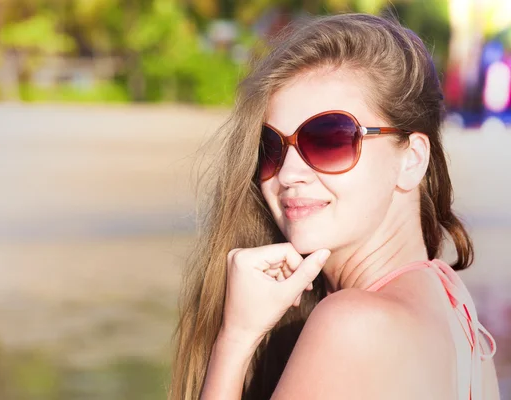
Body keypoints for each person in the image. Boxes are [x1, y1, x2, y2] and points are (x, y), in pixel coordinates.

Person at [169, 13, 499, 400]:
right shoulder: (457, 316)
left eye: (330, 138)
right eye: (271, 147)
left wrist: (236, 339)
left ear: (411, 160)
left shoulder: (351, 324)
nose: (289, 174)